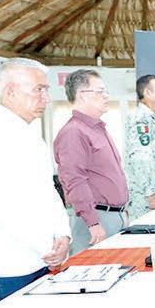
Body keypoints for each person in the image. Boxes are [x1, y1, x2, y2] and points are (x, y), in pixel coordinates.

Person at [0, 58, 71, 305]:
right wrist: (47, 247)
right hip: (13, 263)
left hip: (42, 256)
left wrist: (63, 235)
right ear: (10, 91)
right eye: (38, 89)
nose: (46, 98)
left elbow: (48, 191)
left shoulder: (29, 133)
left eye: (46, 90)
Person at [54, 69, 128, 254]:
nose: (106, 96)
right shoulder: (74, 132)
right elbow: (74, 180)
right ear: (82, 95)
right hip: (95, 220)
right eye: (100, 91)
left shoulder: (97, 129)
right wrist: (92, 222)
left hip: (114, 216)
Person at [122, 74, 155, 220]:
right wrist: (151, 193)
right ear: (147, 93)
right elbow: (140, 159)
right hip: (147, 201)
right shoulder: (140, 119)